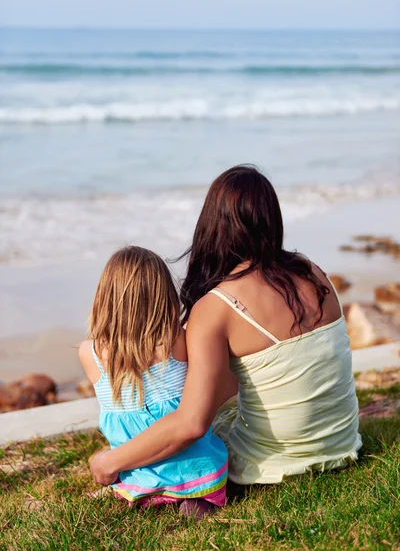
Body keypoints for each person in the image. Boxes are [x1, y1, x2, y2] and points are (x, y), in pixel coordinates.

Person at [90, 166, 361, 488]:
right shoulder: (313, 272)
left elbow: (191, 424)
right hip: (342, 444)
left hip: (273, 464)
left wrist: (108, 461)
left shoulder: (218, 307)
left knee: (197, 430)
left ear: (213, 223)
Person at [79, 246, 228, 514]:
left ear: (105, 297)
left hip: (137, 475)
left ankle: (140, 492)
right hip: (201, 474)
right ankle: (193, 498)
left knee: (108, 457)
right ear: (164, 294)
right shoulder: (178, 340)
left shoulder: (90, 354)